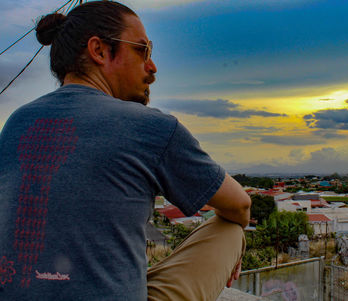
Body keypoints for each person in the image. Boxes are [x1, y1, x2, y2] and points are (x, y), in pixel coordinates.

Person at [0, 1, 250, 300]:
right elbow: (241, 206)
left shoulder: (17, 122)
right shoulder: (151, 127)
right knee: (231, 230)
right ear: (99, 51)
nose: (152, 66)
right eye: (141, 50)